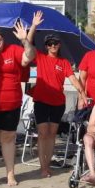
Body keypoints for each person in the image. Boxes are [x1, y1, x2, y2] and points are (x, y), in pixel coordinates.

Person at [0, 16, 38, 187]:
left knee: (8, 138)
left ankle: (10, 174)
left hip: (12, 103)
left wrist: (25, 41)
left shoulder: (13, 49)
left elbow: (29, 57)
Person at [31, 31, 87, 178]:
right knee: (43, 134)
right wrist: (33, 28)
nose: (53, 46)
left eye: (55, 43)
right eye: (50, 44)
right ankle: (43, 167)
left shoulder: (64, 62)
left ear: (59, 45)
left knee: (51, 135)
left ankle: (47, 165)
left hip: (57, 102)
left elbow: (74, 79)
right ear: (46, 47)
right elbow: (28, 46)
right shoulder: (41, 57)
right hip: (41, 101)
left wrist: (82, 93)